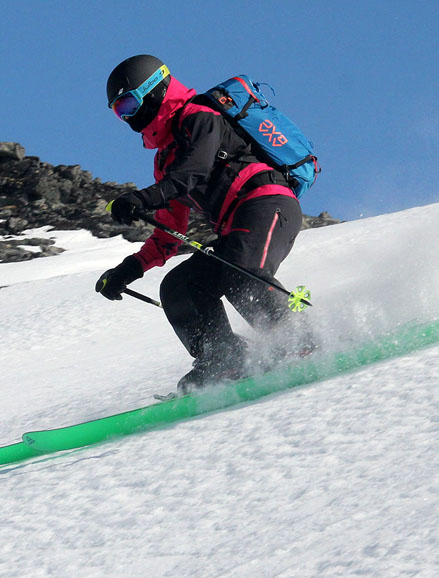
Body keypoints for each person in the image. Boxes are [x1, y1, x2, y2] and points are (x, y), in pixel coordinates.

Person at [96, 54, 313, 393]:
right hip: (234, 225)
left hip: (268, 203)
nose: (126, 117)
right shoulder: (164, 157)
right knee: (179, 287)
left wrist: (141, 198)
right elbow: (167, 232)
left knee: (241, 273)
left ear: (154, 90)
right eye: (117, 111)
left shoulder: (199, 118)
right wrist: (128, 270)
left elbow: (190, 174)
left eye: (127, 104)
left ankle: (299, 340)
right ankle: (224, 359)